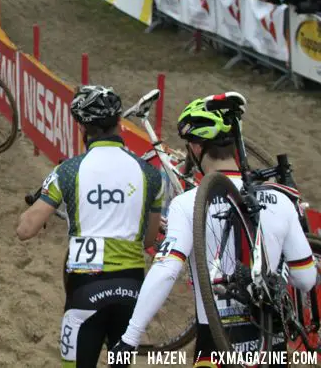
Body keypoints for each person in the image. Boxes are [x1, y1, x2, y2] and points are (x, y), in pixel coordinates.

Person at [111, 94, 316, 365]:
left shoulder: (188, 204)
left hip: (218, 344)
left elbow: (166, 271)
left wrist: (130, 338)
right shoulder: (280, 199)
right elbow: (305, 279)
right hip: (272, 346)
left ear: (196, 148)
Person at [16, 85, 163, 368]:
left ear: (83, 126)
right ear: (119, 123)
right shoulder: (150, 174)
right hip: (131, 289)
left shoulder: (69, 170)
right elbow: (150, 238)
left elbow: (25, 230)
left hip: (86, 287)